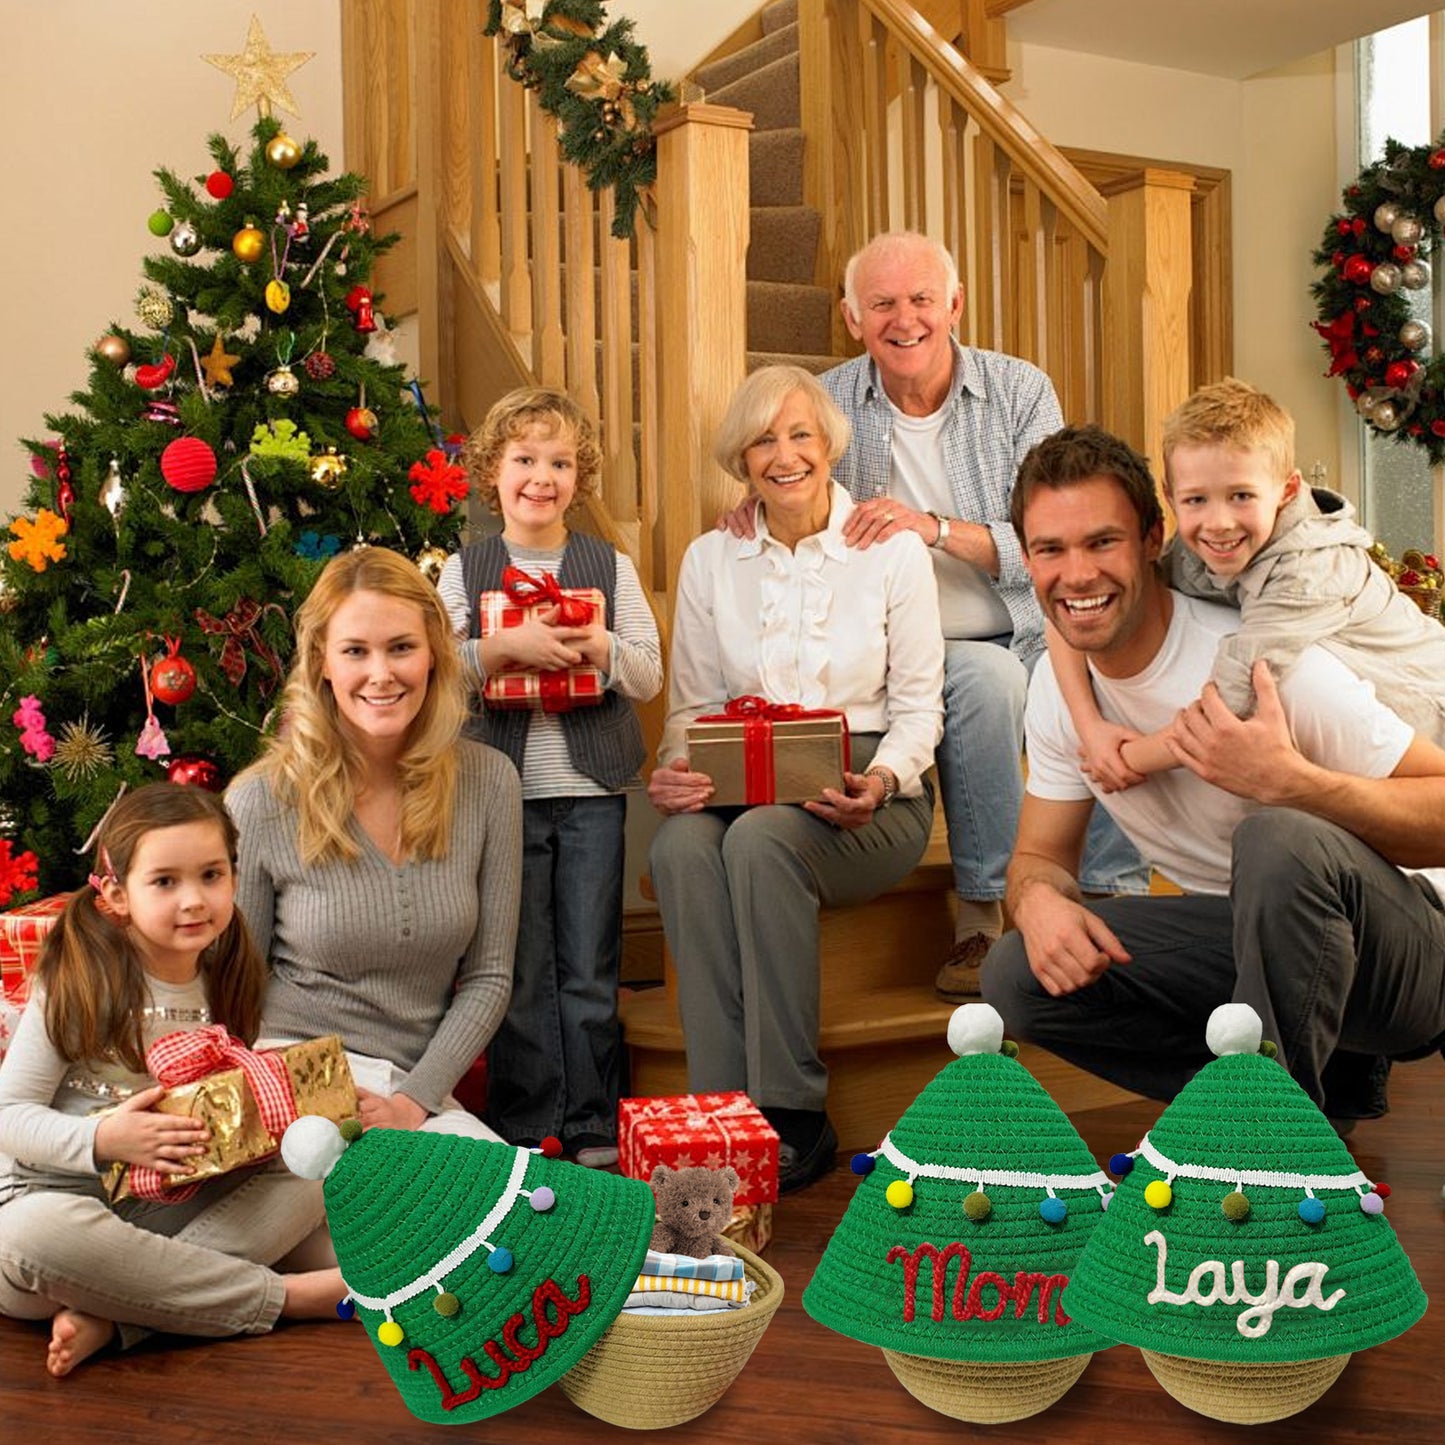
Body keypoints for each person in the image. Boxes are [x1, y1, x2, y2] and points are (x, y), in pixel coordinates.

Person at [722, 230, 1146, 1002]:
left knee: (1106, 683)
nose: (903, 318)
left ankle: (1118, 900)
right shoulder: (828, 404)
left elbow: (1055, 533)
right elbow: (793, 488)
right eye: (881, 303)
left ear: (953, 305)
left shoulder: (1019, 391)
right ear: (852, 317)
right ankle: (984, 911)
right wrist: (752, 507)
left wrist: (935, 528)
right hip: (907, 649)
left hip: (1030, 619)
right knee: (979, 679)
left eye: (921, 299)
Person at [980, 424, 1445, 1121]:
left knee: (1277, 838)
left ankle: (1259, 1150)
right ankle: (1305, 1095)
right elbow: (1039, 857)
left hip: (1419, 954)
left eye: (1101, 541)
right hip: (1265, 941)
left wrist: (1293, 781)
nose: (1076, 574)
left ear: (1151, 540)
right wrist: (1038, 901)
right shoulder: (1058, 687)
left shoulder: (1268, 669)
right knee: (1016, 974)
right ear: (1026, 557)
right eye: (1051, 549)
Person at [649, 365, 944, 1193]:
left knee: (761, 839)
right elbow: (694, 706)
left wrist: (881, 781)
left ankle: (793, 1114)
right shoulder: (711, 557)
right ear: (741, 460)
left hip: (869, 788)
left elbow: (921, 710)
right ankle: (718, 1107)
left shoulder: (890, 552)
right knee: (679, 847)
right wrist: (677, 768)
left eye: (799, 434)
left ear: (829, 445)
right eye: (762, 440)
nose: (783, 455)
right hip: (743, 772)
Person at [0, 784, 342, 1378]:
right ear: (115, 893)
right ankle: (284, 1300)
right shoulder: (80, 982)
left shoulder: (223, 977)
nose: (194, 900)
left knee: (314, 1169)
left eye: (211, 875)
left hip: (163, 1206)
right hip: (54, 1204)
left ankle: (125, 1317)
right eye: (165, 882)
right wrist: (105, 1140)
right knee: (25, 1237)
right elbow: (8, 1116)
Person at [438, 388, 662, 1166]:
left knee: (591, 961)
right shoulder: (464, 570)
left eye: (560, 462)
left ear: (580, 475)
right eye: (525, 459)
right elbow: (439, 676)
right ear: (492, 472)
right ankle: (527, 1119)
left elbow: (646, 674)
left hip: (592, 791)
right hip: (499, 795)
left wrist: (598, 643)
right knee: (521, 962)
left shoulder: (609, 566)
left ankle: (595, 1116)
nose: (542, 476)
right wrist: (503, 650)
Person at [229, 547, 522, 1142]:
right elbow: (236, 986)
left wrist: (415, 1100)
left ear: (434, 656)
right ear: (323, 663)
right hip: (293, 1079)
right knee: (382, 1217)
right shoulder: (261, 800)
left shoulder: (490, 782)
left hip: (411, 1094)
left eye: (401, 648)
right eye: (356, 651)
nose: (380, 674)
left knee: (530, 1218)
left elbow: (490, 977)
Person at [1050, 378, 1445, 791]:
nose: (1219, 523)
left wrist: (1125, 759)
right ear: (1170, 497)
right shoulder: (1194, 549)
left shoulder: (1309, 572)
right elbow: (1077, 607)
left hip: (1427, 733)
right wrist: (1090, 728)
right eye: (1196, 500)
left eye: (1241, 495)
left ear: (1287, 491)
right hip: (1355, 739)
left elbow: (1231, 704)